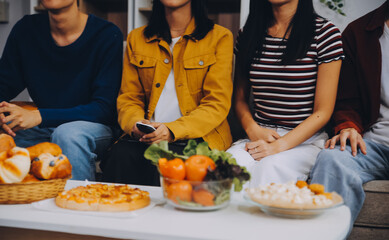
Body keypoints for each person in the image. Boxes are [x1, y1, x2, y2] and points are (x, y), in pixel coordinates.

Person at [101, 0, 233, 186]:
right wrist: (136, 124)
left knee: (169, 164)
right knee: (120, 156)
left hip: (197, 138)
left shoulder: (219, 37)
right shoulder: (137, 38)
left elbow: (216, 103)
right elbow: (129, 98)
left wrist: (172, 130)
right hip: (146, 137)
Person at [0, 0, 123, 180]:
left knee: (68, 134)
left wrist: (38, 116)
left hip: (92, 127)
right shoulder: (26, 29)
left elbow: (103, 109)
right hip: (42, 126)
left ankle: (78, 202)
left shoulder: (106, 34)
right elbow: (4, 83)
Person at [227, 0, 344, 187]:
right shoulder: (248, 33)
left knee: (269, 169)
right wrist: (253, 130)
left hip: (304, 140)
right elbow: (239, 99)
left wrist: (278, 146)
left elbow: (323, 111)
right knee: (226, 169)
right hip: (259, 134)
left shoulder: (325, 34)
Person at [310, 1, 389, 231]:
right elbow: (345, 100)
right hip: (372, 145)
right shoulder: (358, 33)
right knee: (332, 158)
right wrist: (348, 126)